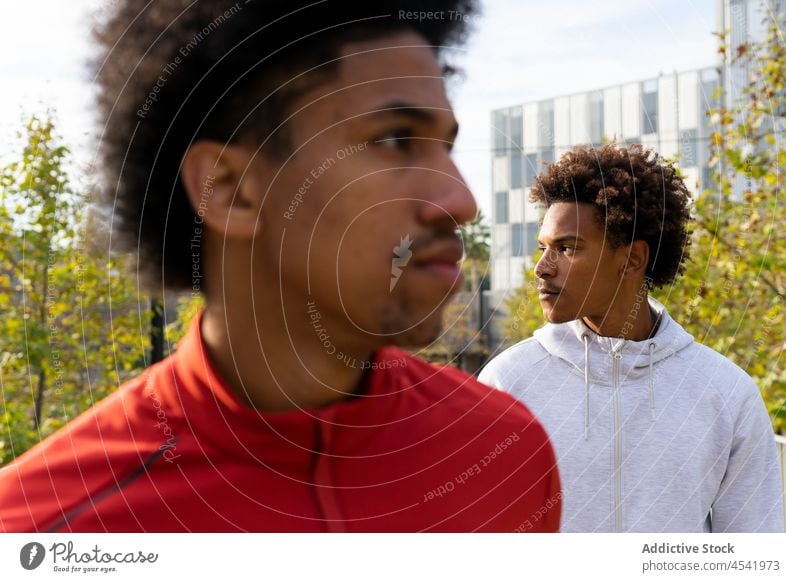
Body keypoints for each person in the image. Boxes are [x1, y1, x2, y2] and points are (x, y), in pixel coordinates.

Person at [0, 0, 561, 532]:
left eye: (446, 147)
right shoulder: (52, 530)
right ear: (231, 190)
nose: (462, 201)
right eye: (394, 140)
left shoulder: (506, 454)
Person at [479, 143, 783, 532]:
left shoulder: (725, 393)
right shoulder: (507, 384)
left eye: (567, 248)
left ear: (633, 259)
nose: (542, 268)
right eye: (544, 248)